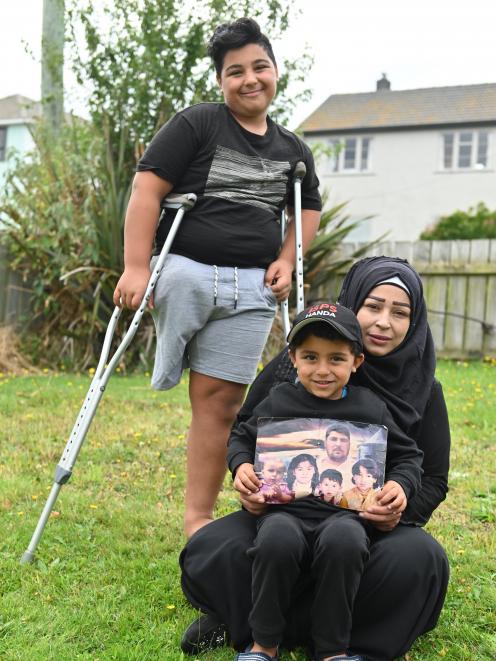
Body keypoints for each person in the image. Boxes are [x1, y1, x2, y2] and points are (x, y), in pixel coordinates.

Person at [180, 256, 450, 661]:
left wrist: (395, 507)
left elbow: (430, 476)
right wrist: (248, 483)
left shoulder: (424, 390)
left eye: (400, 312)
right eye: (373, 306)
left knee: (419, 561)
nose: (383, 322)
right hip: (283, 521)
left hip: (361, 533)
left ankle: (264, 624)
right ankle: (260, 629)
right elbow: (249, 436)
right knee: (213, 548)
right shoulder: (290, 371)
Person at [112, 17, 321, 537]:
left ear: (275, 71)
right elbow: (146, 191)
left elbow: (309, 209)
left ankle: (197, 519)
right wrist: (137, 267)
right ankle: (169, 360)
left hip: (251, 286)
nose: (250, 79)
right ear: (221, 81)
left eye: (259, 67)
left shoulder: (293, 150)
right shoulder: (197, 124)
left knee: (222, 402)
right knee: (183, 341)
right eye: (235, 72)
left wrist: (288, 258)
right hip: (185, 271)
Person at [225, 302, 422, 661]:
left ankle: (332, 651)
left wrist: (400, 486)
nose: (322, 370)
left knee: (345, 543)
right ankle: (263, 645)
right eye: (311, 357)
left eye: (336, 359)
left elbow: (408, 456)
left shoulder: (370, 408)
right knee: (275, 540)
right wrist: (240, 467)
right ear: (293, 358)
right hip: (283, 510)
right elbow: (240, 437)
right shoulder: (278, 400)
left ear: (356, 362)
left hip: (345, 516)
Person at [317, 423, 355, 489]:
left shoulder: (360, 470)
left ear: (349, 444)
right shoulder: (312, 468)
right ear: (325, 443)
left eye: (343, 440)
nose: (338, 444)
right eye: (333, 439)